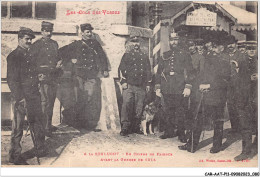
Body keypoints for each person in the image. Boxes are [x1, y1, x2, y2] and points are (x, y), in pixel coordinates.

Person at [179, 39, 230, 153]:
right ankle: (191, 145)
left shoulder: (225, 60)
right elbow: (201, 74)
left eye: (215, 47)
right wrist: (197, 85)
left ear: (221, 48)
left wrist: (210, 86)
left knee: (217, 121)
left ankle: (217, 146)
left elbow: (226, 81)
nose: (212, 49)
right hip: (203, 95)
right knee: (197, 120)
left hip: (217, 96)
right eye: (210, 47)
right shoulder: (207, 59)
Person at [7, 27, 46, 165]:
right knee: (17, 128)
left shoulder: (30, 55)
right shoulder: (14, 56)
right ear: (19, 39)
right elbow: (12, 80)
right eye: (26, 39)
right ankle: (14, 156)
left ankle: (40, 149)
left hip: (33, 95)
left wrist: (38, 76)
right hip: (21, 98)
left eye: (30, 39)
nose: (29, 41)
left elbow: (31, 74)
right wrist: (20, 97)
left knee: (37, 123)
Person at [59, 23, 109, 130]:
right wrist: (71, 59)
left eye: (90, 32)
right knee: (79, 97)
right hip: (79, 75)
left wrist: (104, 69)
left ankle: (87, 123)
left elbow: (102, 56)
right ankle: (77, 122)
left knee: (89, 97)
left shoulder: (95, 44)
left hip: (91, 75)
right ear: (82, 33)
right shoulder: (76, 44)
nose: (90, 34)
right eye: (87, 32)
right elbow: (61, 52)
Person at [155, 32, 193, 142]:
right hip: (167, 87)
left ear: (179, 40)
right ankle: (169, 131)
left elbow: (190, 72)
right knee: (168, 111)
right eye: (171, 40)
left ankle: (181, 133)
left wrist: (188, 86)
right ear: (169, 41)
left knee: (181, 111)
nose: (174, 42)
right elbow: (159, 72)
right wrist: (158, 87)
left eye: (176, 39)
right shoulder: (165, 55)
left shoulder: (185, 54)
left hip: (180, 87)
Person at [29, 21, 61, 137]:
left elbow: (58, 57)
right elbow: (32, 63)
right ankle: (43, 128)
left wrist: (59, 63)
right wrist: (39, 74)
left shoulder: (54, 44)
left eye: (50, 31)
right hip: (43, 78)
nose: (48, 33)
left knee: (51, 102)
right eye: (46, 31)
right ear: (42, 31)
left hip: (53, 78)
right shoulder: (36, 45)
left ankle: (48, 125)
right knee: (44, 103)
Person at [118, 36, 152, 136]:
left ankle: (136, 126)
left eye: (137, 42)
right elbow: (120, 69)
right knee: (127, 105)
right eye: (133, 42)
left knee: (139, 107)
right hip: (129, 85)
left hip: (141, 85)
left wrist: (148, 83)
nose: (135, 44)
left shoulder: (144, 56)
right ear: (130, 44)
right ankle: (125, 127)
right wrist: (123, 82)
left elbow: (148, 71)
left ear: (140, 44)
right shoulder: (126, 55)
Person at [225, 36, 248, 135]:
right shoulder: (224, 56)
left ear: (235, 44)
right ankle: (235, 128)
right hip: (228, 85)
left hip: (239, 85)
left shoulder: (242, 56)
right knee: (230, 106)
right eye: (228, 44)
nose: (230, 46)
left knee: (240, 106)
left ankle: (243, 129)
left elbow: (245, 72)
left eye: (232, 43)